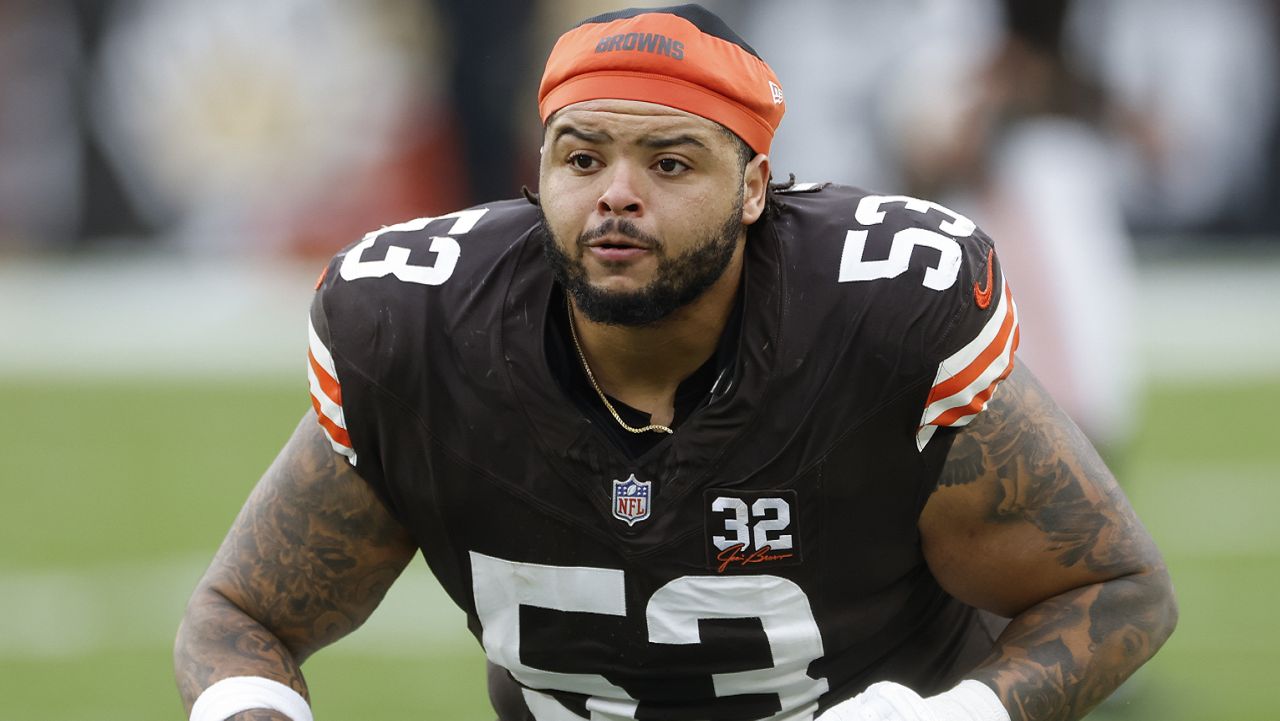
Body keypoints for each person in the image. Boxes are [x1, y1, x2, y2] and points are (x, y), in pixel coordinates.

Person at [174, 5, 1177, 721]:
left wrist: (942, 715)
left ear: (752, 190)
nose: (614, 194)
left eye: (667, 162)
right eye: (580, 158)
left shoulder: (874, 319)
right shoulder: (422, 329)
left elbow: (1118, 590)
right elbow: (241, 613)